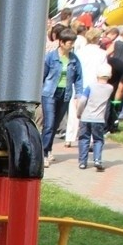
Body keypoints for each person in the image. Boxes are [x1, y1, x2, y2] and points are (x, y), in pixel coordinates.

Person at [41, 29, 82, 167]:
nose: (72, 45)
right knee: (49, 124)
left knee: (55, 125)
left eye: (73, 43)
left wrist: (78, 95)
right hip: (49, 93)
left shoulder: (74, 59)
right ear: (61, 42)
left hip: (65, 94)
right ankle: (43, 153)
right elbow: (43, 75)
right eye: (70, 43)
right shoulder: (50, 57)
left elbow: (79, 78)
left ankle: (49, 148)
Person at [76, 62, 113, 171]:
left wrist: (79, 112)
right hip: (99, 119)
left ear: (97, 74)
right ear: (110, 75)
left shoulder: (90, 86)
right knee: (98, 140)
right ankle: (97, 160)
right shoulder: (110, 88)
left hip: (86, 117)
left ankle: (83, 162)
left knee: (84, 139)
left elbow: (82, 100)